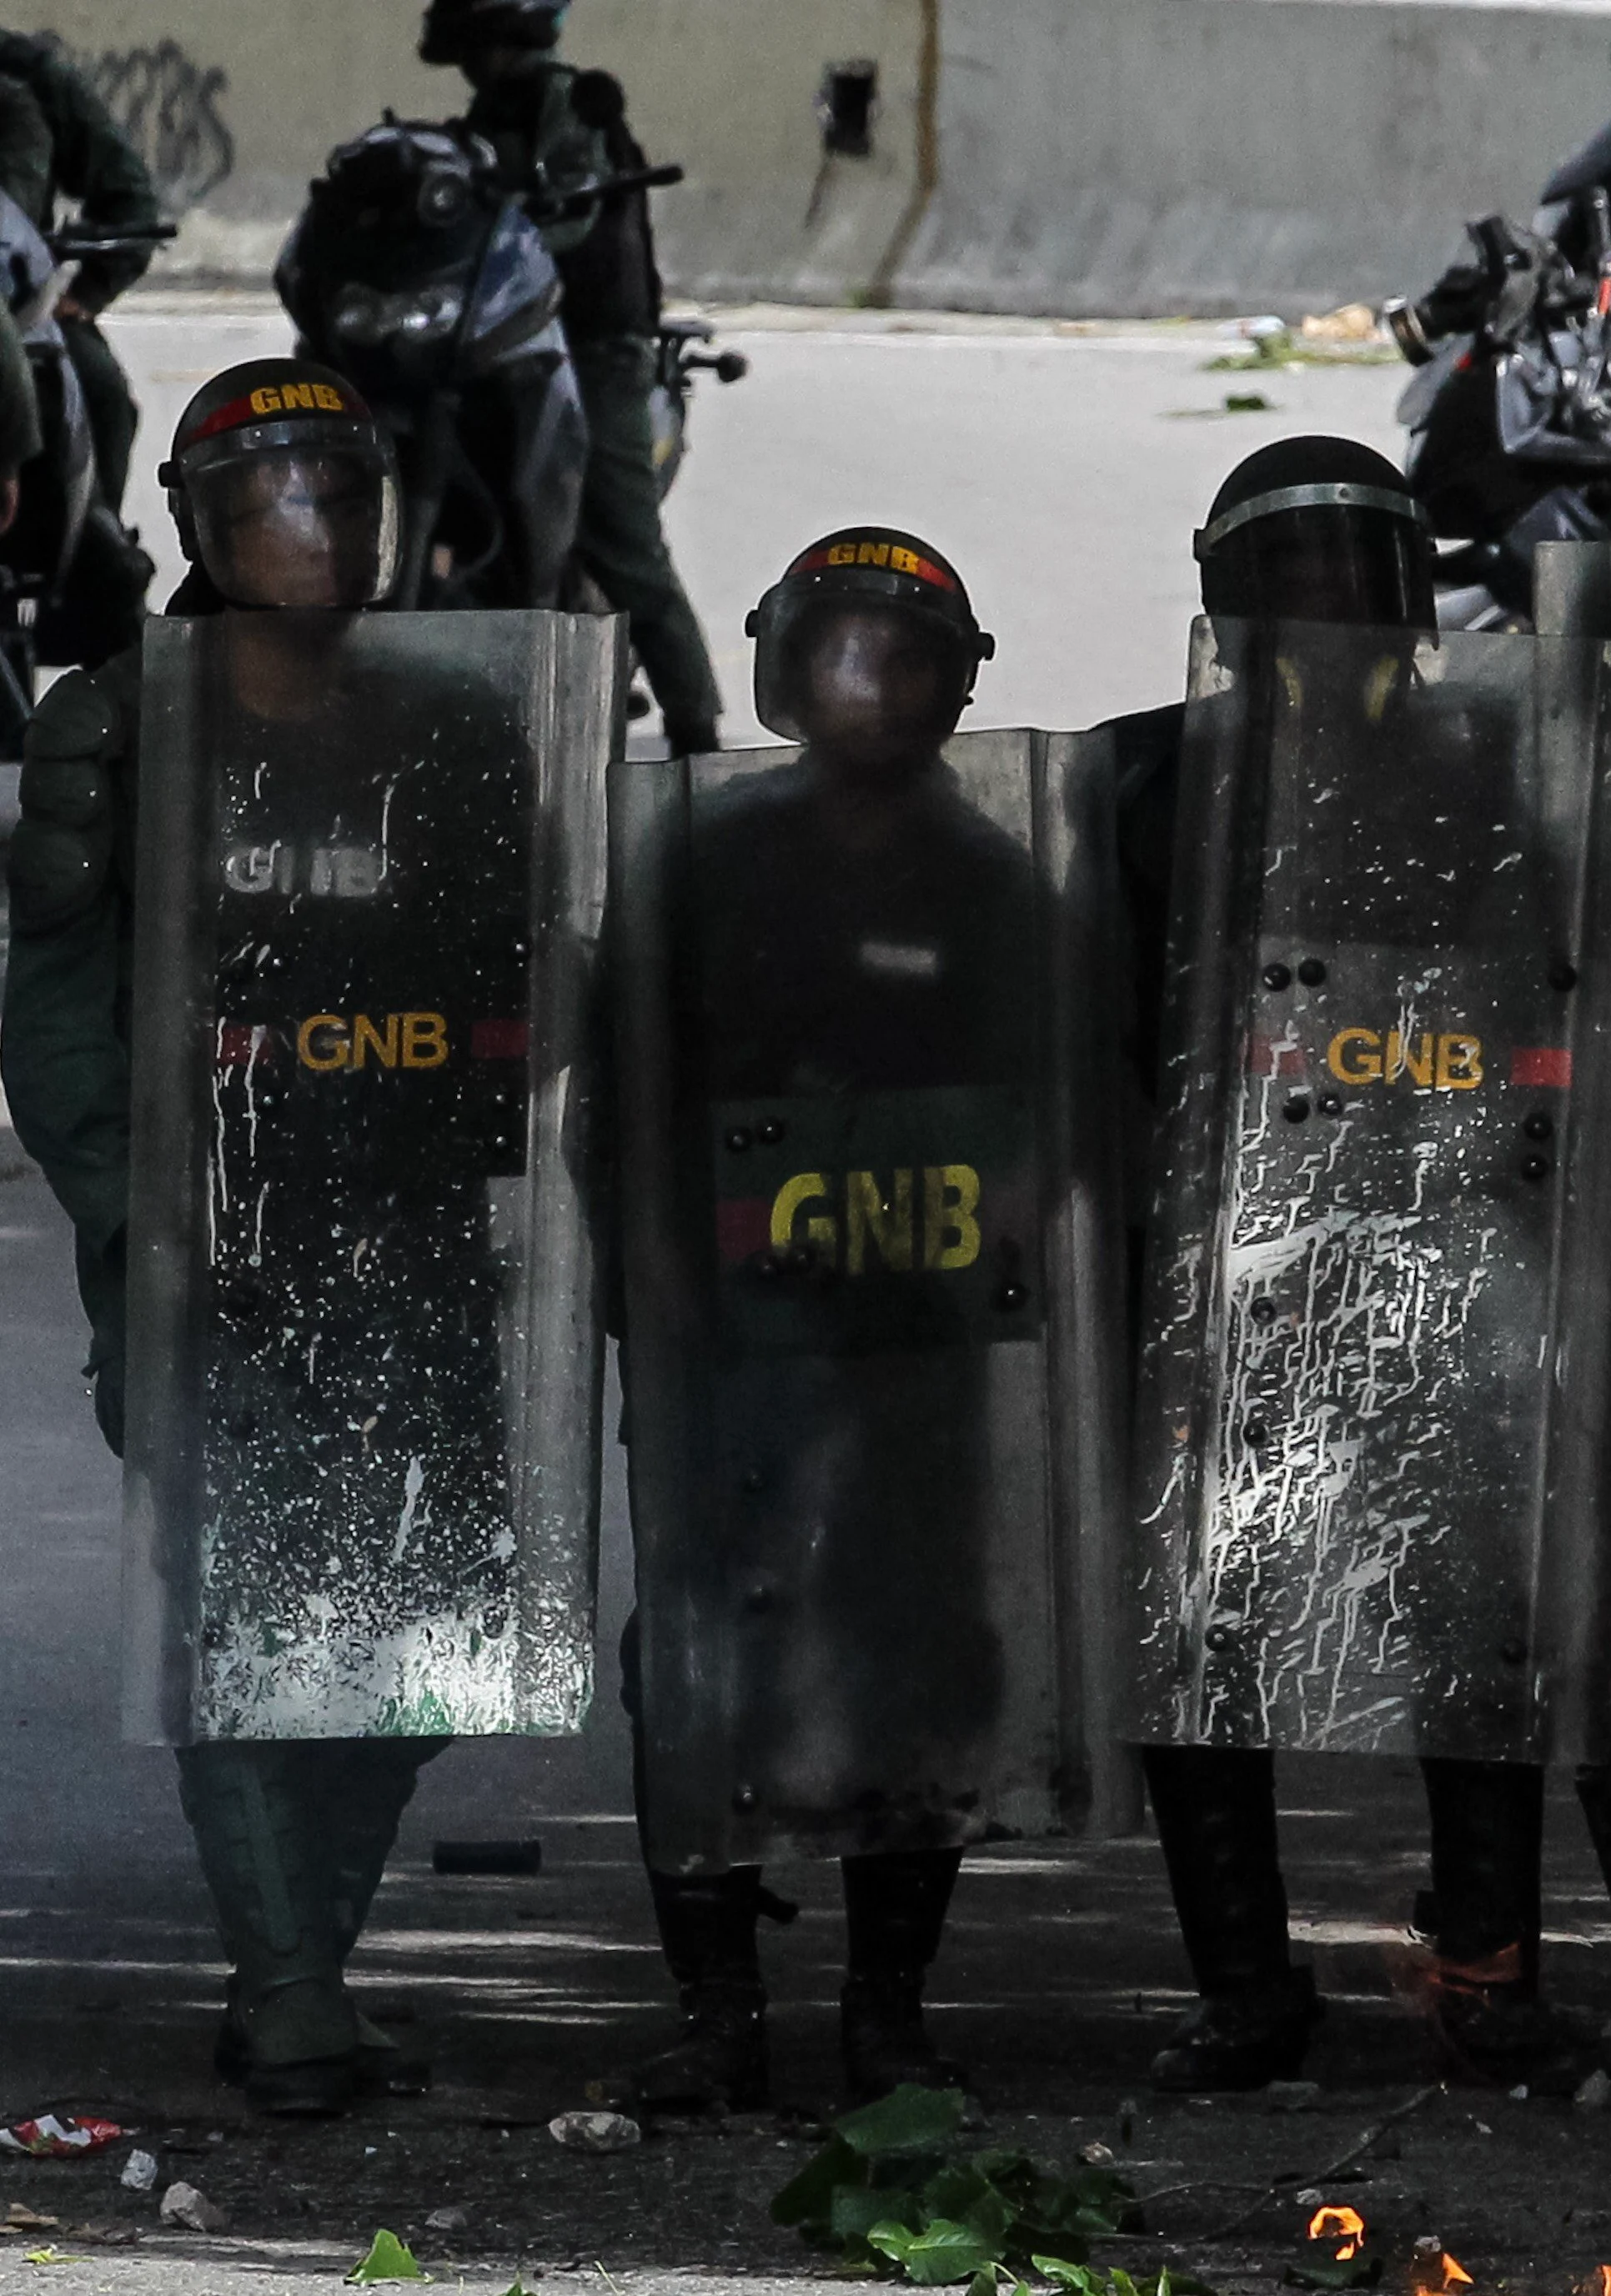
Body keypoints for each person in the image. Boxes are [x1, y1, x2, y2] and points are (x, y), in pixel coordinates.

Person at [5, 361, 453, 2118]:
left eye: (341, 496)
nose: (315, 534)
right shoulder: (117, 726)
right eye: (271, 502)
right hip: (207, 1253)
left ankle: (304, 1961)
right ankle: (289, 1995)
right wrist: (149, 1227)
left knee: (416, 1635)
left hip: (407, 1240)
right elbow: (54, 1023)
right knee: (247, 1619)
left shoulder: (441, 719)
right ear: (196, 526)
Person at [1101, 438, 1570, 2093]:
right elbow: (1091, 1050)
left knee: (1469, 1614)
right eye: (1288, 584)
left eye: (1357, 582)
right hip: (1227, 1278)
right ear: (1222, 608)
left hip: (1444, 1258)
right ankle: (1244, 1980)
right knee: (1201, 1622)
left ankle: (1491, 1969)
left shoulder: (1501, 777)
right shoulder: (1143, 792)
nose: (1327, 622)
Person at [624, 528, 1044, 2113]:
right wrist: (656, 1298)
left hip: (920, 1337)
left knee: (915, 1640)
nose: (872, 681)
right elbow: (635, 1096)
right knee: (700, 1642)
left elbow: (1047, 1117)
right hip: (724, 1331)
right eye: (841, 648)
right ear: (784, 674)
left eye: (908, 652)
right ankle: (716, 2003)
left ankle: (888, 2007)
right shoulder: (704, 859)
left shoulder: (992, 883)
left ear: (957, 686)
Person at [424, 0, 722, 753]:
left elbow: (564, 214)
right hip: (507, 344)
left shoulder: (573, 104)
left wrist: (515, 215)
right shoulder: (482, 121)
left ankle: (696, 733)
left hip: (591, 348)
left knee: (624, 543)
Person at [0, 29, 169, 650]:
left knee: (95, 391)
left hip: (16, 303)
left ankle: (83, 566)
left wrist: (86, 294)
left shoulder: (23, 85)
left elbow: (131, 199)